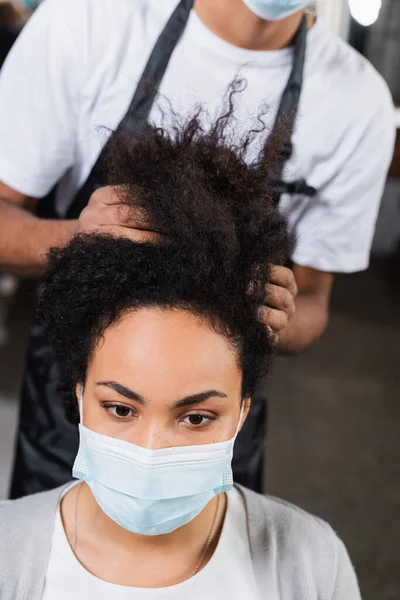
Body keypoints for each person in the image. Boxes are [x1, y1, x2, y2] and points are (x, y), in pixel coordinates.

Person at [0, 0, 395, 497]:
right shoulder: (88, 23)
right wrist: (76, 239)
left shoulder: (358, 102)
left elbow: (314, 300)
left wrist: (282, 316)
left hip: (213, 415)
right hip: (78, 404)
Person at [0, 107, 361, 600]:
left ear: (242, 412)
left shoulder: (309, 564)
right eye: (120, 408)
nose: (152, 454)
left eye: (196, 417)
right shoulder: (9, 558)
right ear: (80, 393)